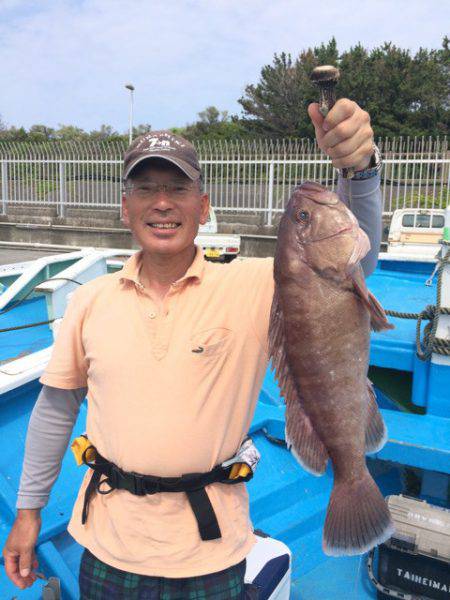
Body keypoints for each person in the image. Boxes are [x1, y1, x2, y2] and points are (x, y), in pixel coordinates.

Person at [3, 99, 382, 598]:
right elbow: (54, 413)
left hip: (212, 552)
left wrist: (358, 171)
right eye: (146, 189)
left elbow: (351, 260)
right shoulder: (88, 300)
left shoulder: (256, 285)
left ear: (202, 206)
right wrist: (28, 513)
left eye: (178, 188)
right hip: (104, 544)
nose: (162, 203)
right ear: (126, 207)